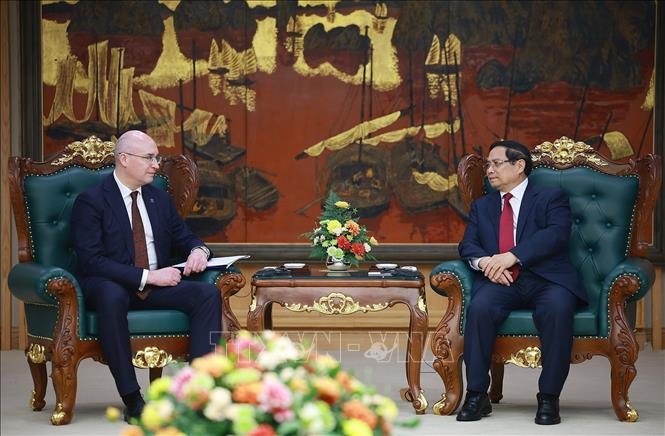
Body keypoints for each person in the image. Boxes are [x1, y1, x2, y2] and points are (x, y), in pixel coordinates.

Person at [70, 130, 222, 422]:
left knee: (207, 294)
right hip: (112, 284)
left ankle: (197, 394)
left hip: (157, 284)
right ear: (124, 159)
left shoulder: (158, 198)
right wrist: (148, 277)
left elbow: (185, 237)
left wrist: (199, 251)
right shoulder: (92, 201)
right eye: (149, 158)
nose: (156, 165)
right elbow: (92, 261)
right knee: (111, 294)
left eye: (157, 158)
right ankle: (132, 399)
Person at [456, 140, 587, 425]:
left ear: (519, 166)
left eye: (496, 163)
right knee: (479, 308)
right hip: (501, 281)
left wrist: (512, 256)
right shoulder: (482, 206)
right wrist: (486, 263)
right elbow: (468, 245)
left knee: (557, 308)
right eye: (487, 165)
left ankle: (549, 397)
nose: (489, 170)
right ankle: (477, 394)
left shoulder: (550, 197)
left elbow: (556, 234)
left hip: (546, 279)